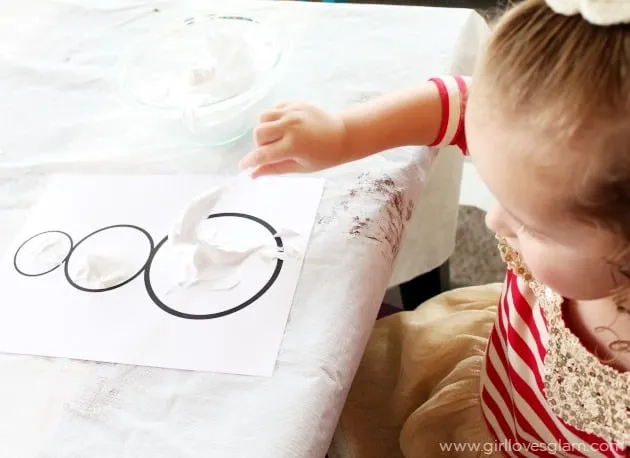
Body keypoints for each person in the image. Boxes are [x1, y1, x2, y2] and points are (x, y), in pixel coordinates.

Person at [239, 0, 630, 456]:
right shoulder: (558, 161)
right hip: (487, 389)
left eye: (533, 228)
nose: (493, 221)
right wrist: (345, 134)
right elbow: (467, 103)